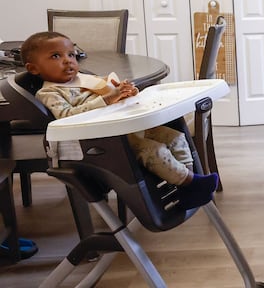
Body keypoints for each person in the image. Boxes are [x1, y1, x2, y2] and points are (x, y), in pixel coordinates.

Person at [21, 31, 218, 210]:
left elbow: (111, 96)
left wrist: (125, 94)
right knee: (154, 150)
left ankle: (187, 188)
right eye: (56, 56)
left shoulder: (85, 79)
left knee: (175, 137)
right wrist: (107, 98)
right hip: (105, 141)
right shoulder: (49, 92)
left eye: (71, 55)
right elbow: (67, 117)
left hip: (125, 127)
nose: (67, 61)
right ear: (34, 68)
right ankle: (191, 183)